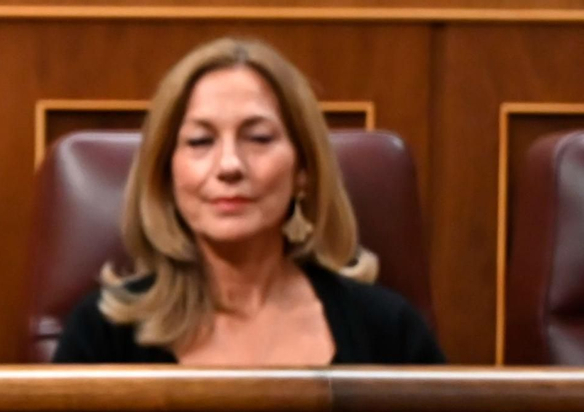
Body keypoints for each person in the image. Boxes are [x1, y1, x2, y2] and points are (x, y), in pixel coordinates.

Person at [54, 38, 444, 365]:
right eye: (200, 142)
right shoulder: (101, 334)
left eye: (258, 138)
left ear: (303, 170)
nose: (229, 166)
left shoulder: (388, 330)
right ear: (166, 175)